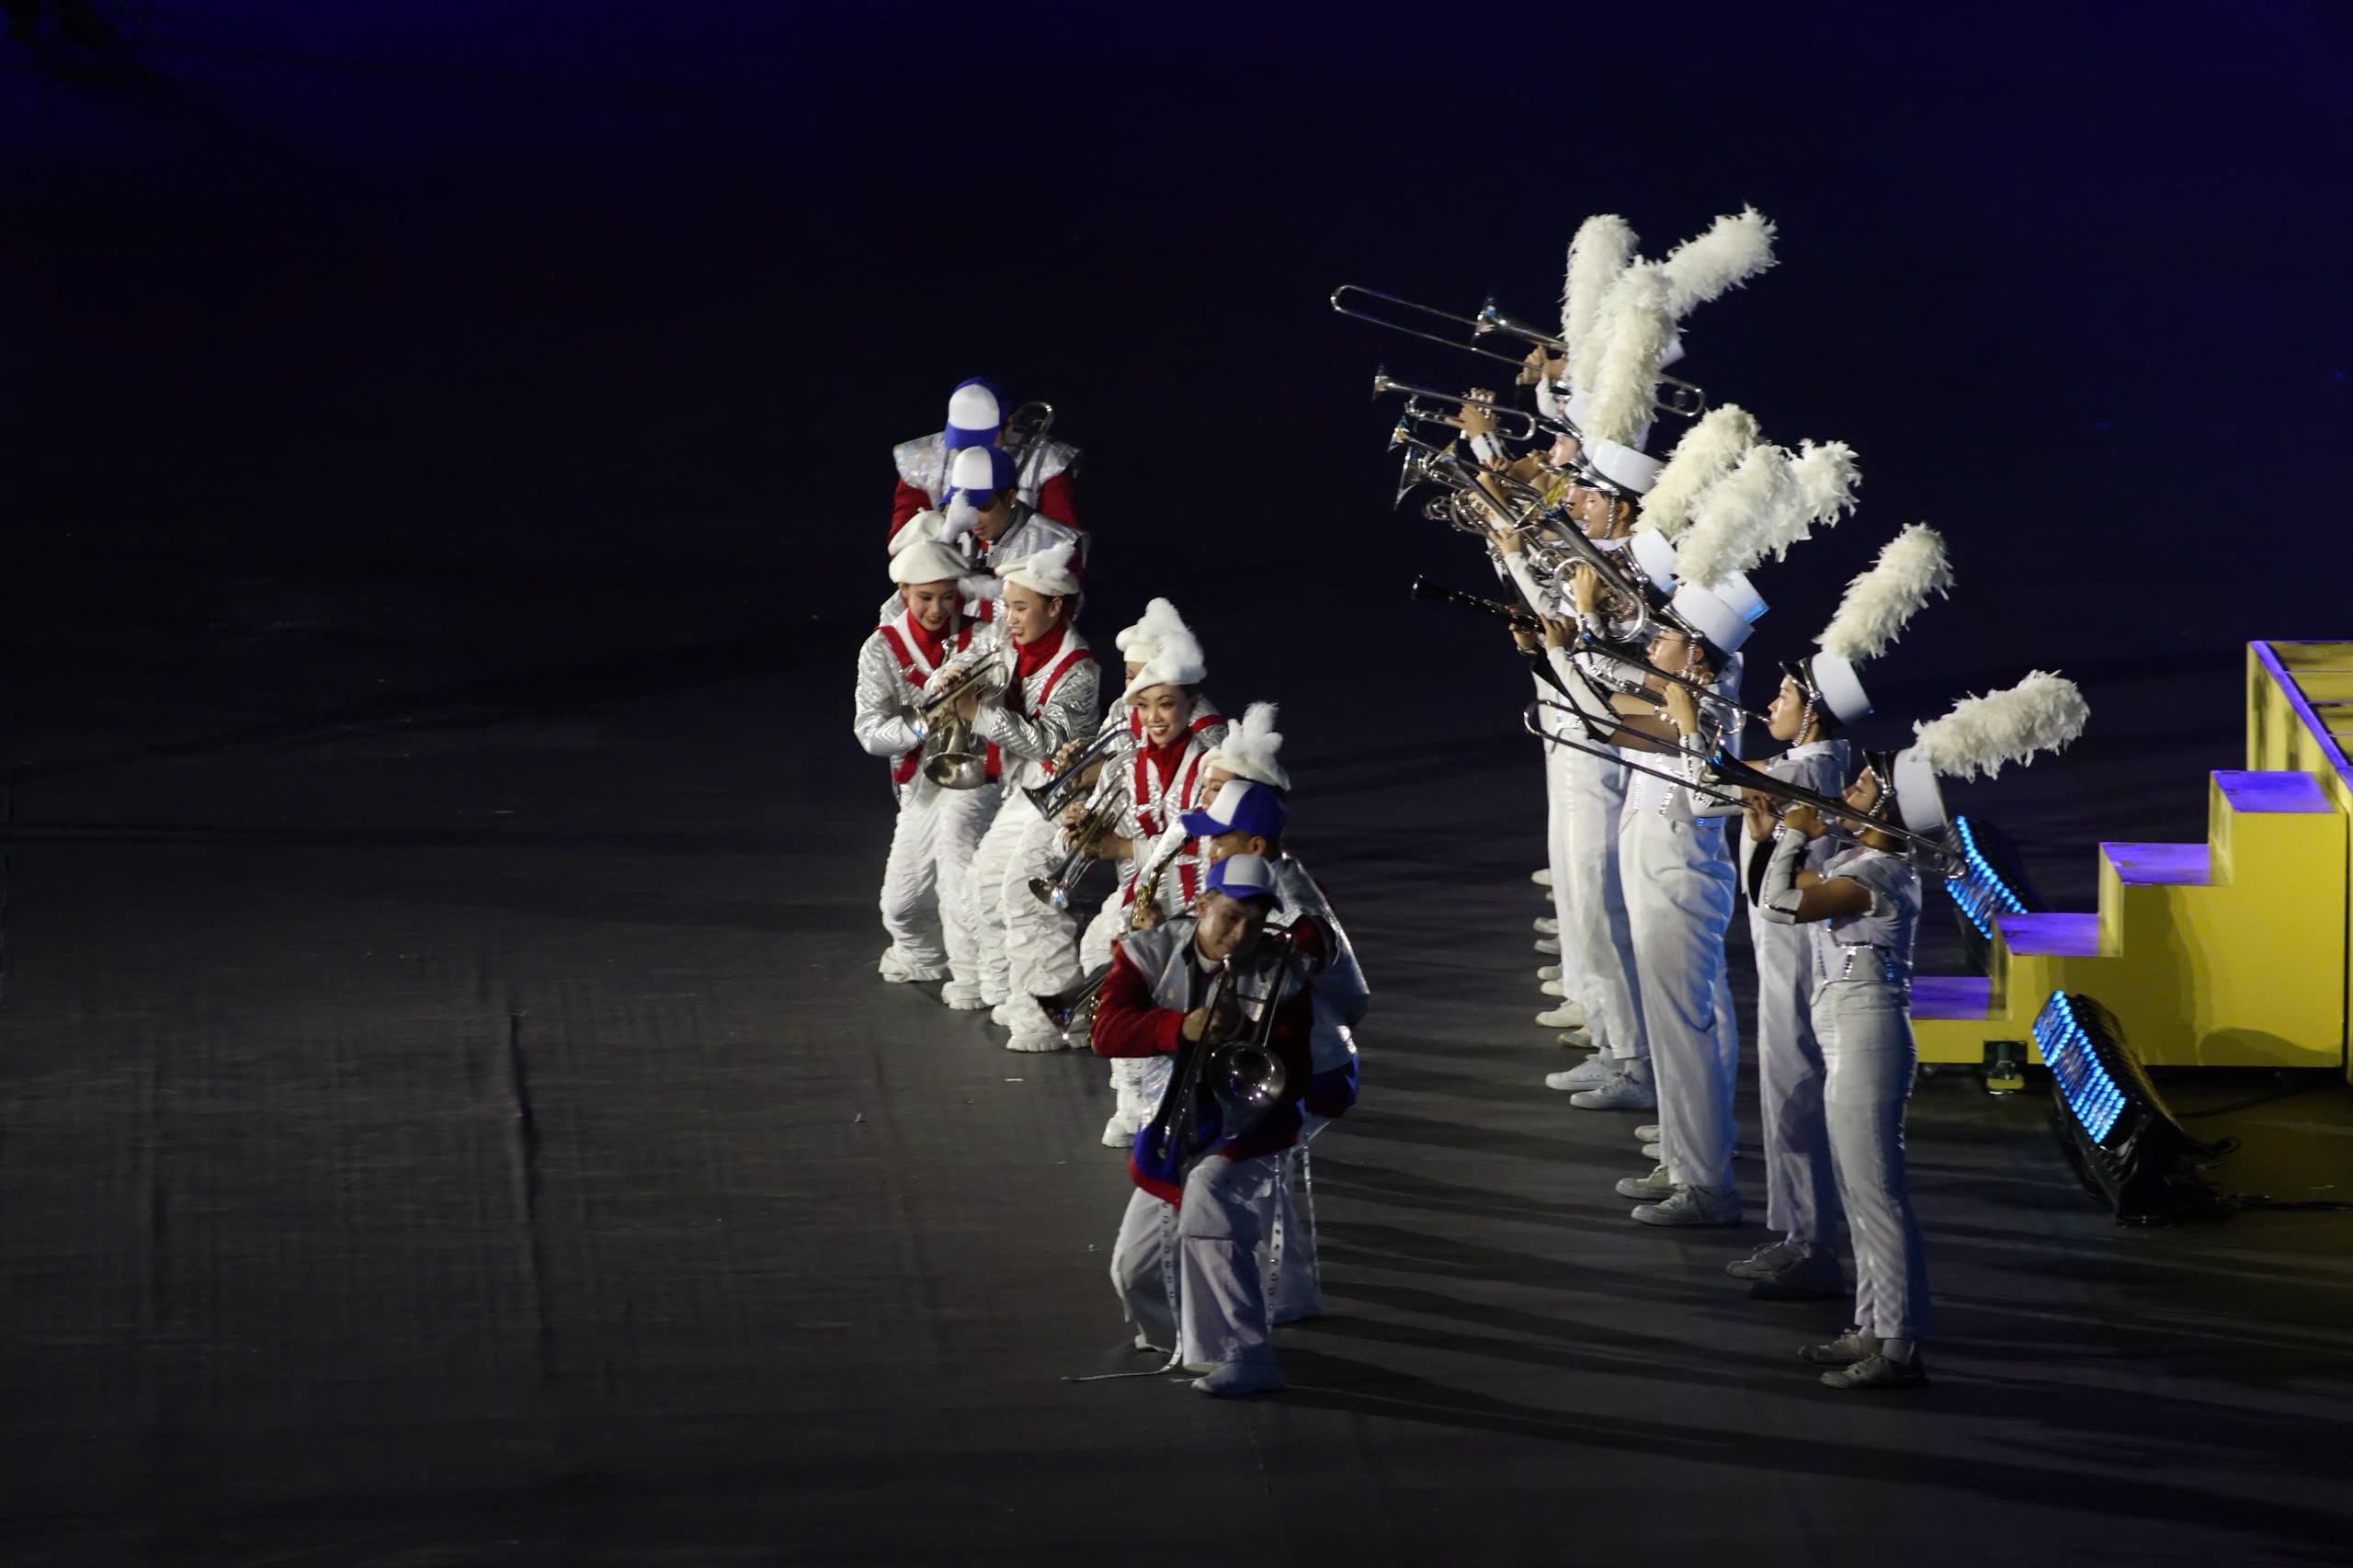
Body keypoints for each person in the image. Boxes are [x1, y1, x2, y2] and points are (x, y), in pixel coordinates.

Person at [1096, 853, 1314, 1397]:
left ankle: (1245, 1355)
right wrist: (1178, 1027)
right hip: (1173, 1123)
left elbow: (1298, 1068)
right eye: (1230, 917)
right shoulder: (1148, 953)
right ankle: (1179, 1336)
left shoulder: (1279, 969)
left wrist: (1250, 1034)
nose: (1241, 936)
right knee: (1133, 1267)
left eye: (1254, 923)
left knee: (1209, 1211)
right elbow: (1107, 1032)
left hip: (1248, 1127)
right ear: (1201, 905)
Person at [1181, 759, 1365, 1323]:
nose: (1208, 848)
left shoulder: (1293, 909)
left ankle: (1284, 1294)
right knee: (1256, 1170)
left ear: (1255, 844)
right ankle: (1288, 1291)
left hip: (1314, 1068)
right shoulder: (1256, 886)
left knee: (1251, 1171)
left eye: (1219, 838)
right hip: (1294, 1059)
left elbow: (1342, 997)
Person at [1080, 609, 1227, 1142]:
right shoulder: (1125, 763)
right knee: (1104, 960)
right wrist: (1075, 827)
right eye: (1144, 706)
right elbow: (1090, 829)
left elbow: (1212, 847)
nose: (1156, 717)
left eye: (1167, 704)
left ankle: (1163, 1104)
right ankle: (1129, 1094)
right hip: (1138, 897)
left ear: (1191, 704)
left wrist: (1125, 850)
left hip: (1197, 906)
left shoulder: (1212, 762)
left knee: (1162, 988)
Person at [957, 540, 1101, 1050]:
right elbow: (959, 666)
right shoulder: (1004, 635)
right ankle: (1010, 995)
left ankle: (1056, 1017)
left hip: (1066, 795)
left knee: (1027, 894)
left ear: (1055, 606)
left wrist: (981, 714)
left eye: (1021, 607)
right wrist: (948, 678)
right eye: (1007, 606)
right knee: (983, 881)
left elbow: (1048, 743)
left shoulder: (1080, 670)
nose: (1009, 618)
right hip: (1026, 791)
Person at [852, 538, 1006, 1006]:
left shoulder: (983, 634)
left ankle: (978, 974)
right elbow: (869, 733)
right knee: (899, 904)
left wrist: (972, 691)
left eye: (946, 595)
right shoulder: (880, 649)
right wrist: (922, 724)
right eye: (925, 597)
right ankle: (922, 954)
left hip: (980, 768)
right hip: (922, 777)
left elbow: (1004, 689)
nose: (938, 608)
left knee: (955, 864)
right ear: (903, 590)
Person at [889, 378, 1079, 545]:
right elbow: (903, 540)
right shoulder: (921, 460)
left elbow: (1064, 542)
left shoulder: (1048, 462)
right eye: (962, 444)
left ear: (1009, 425)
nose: (970, 452)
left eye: (982, 442)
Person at [938, 445, 1088, 607]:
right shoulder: (962, 535)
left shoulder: (1058, 544)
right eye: (964, 506)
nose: (972, 519)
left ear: (1010, 498)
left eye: (982, 506)